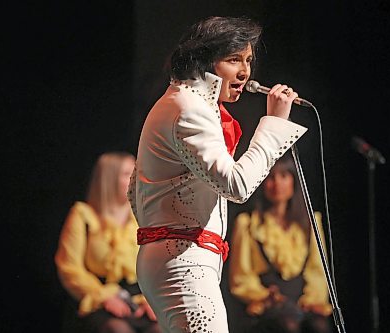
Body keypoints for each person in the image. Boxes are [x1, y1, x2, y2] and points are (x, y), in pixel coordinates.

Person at [128, 16, 308, 333]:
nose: (245, 72)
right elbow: (236, 186)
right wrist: (276, 124)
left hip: (179, 256)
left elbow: (135, 189)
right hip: (182, 259)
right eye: (233, 59)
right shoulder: (188, 108)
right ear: (205, 60)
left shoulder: (183, 103)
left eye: (249, 60)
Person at [55, 152, 161, 333]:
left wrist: (151, 300)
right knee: (117, 329)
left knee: (161, 329)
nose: (136, 178)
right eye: (128, 173)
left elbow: (156, 266)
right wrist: (102, 297)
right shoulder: (84, 216)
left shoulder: (142, 217)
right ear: (110, 179)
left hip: (137, 298)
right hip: (97, 299)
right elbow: (69, 267)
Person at [228, 153, 333, 333]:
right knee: (287, 325)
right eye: (270, 178)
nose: (277, 184)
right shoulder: (248, 224)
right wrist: (263, 295)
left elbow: (317, 270)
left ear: (293, 180)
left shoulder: (310, 222)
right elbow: (241, 275)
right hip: (269, 303)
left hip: (303, 300)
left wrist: (312, 299)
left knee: (319, 326)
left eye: (283, 176)